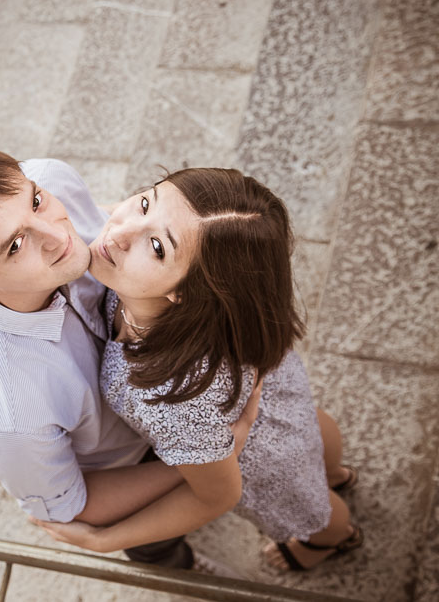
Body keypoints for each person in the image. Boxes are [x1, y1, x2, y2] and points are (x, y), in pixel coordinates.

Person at [0, 141, 256, 572]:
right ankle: (181, 569)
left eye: (37, 202)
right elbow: (73, 506)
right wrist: (199, 459)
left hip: (172, 387)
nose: (59, 236)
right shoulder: (7, 414)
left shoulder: (47, 177)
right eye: (14, 246)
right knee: (160, 551)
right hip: (125, 463)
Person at [33, 167, 362, 571]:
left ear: (185, 291)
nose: (118, 231)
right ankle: (334, 473)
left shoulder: (167, 398)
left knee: (314, 511)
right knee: (311, 431)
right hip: (278, 407)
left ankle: (335, 540)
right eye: (144, 202)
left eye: (156, 246)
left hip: (259, 463)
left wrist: (105, 540)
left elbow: (215, 496)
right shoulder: (212, 303)